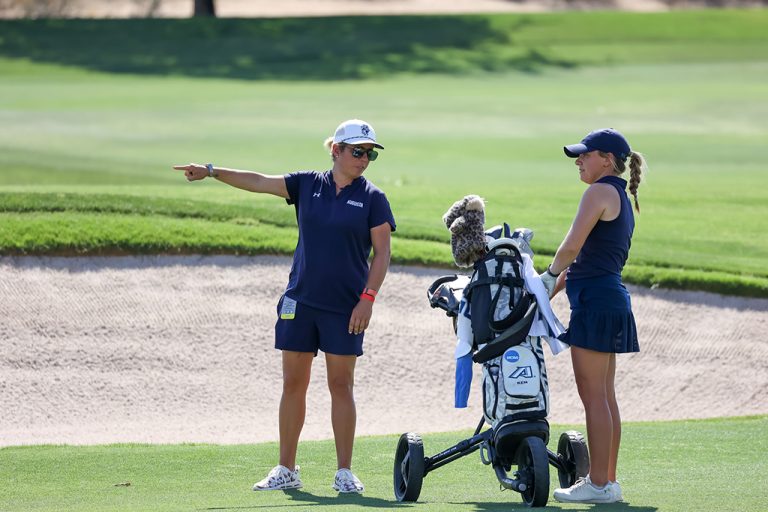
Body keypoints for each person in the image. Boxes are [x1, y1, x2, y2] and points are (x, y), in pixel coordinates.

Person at [173, 119, 396, 494]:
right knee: (293, 384)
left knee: (341, 385)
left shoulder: (373, 198)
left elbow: (383, 253)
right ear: (336, 151)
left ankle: (344, 472)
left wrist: (367, 299)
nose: (364, 159)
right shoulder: (307, 184)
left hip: (345, 307)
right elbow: (259, 181)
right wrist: (211, 172)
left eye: (369, 153)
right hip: (300, 301)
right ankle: (286, 468)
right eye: (357, 151)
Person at [538, 128, 646, 504]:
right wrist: (547, 288)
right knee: (605, 396)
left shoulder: (598, 191)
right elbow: (582, 264)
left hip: (596, 305)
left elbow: (570, 248)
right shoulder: (618, 196)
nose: (578, 161)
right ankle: (608, 482)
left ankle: (598, 484)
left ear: (606, 159)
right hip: (610, 300)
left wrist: (548, 274)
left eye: (585, 155)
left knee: (593, 397)